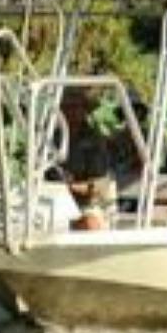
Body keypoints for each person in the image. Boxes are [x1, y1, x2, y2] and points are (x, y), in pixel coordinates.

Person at [56, 87, 115, 230]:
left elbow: (99, 186)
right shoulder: (51, 138)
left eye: (75, 106)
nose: (70, 111)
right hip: (54, 201)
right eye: (66, 107)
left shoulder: (95, 141)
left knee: (89, 223)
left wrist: (70, 187)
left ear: (84, 110)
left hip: (89, 204)